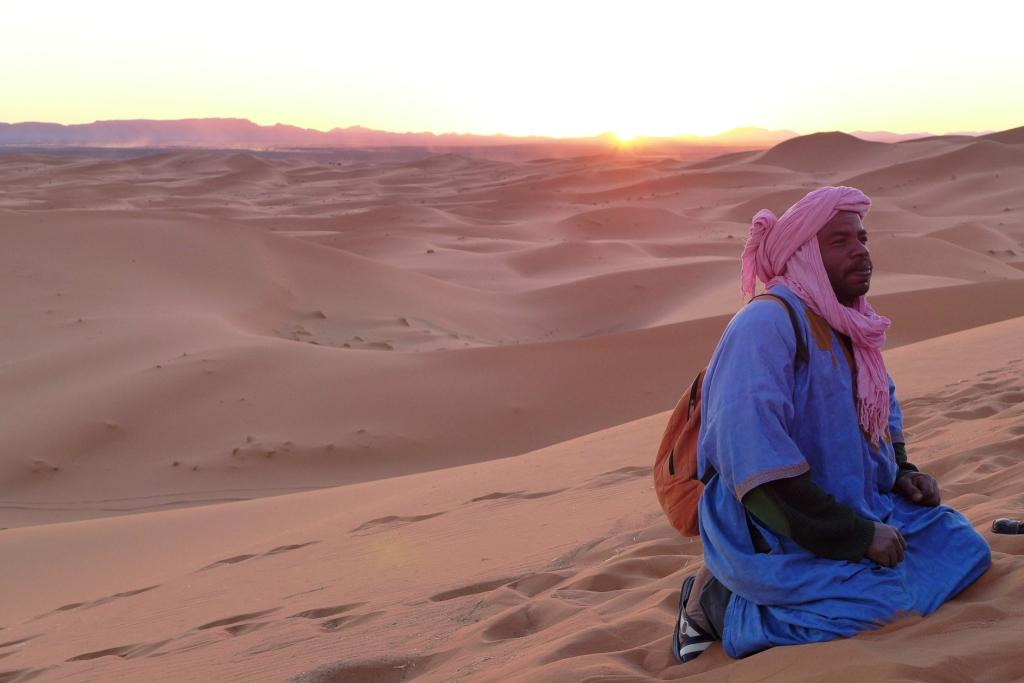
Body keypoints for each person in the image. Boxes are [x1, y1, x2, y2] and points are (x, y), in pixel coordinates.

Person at [673, 186, 991, 662]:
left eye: (862, 238)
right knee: (881, 604)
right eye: (839, 241)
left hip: (859, 506)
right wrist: (855, 537)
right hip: (776, 525)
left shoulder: (852, 326)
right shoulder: (766, 325)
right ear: (803, 254)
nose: (861, 250)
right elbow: (754, 465)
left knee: (963, 548)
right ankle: (719, 605)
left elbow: (883, 415)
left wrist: (904, 473)